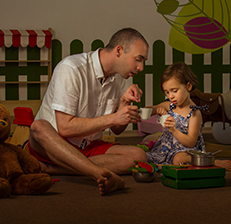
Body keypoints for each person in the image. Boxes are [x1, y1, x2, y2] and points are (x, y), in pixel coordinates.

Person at [28, 28, 149, 195]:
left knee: (139, 156)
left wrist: (123, 105)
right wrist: (114, 118)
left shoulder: (122, 78)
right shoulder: (71, 68)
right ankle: (97, 173)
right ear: (119, 50)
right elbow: (65, 128)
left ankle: (54, 169)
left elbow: (117, 130)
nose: (141, 67)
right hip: (56, 143)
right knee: (38, 126)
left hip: (88, 145)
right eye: (138, 59)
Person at [147, 63, 231, 170]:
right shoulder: (170, 105)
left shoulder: (194, 113)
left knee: (179, 159)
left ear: (188, 86)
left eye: (174, 91)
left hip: (185, 150)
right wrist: (154, 110)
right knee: (147, 157)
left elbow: (191, 142)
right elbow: (151, 109)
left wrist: (174, 130)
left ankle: (212, 162)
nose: (171, 96)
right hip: (166, 148)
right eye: (167, 92)